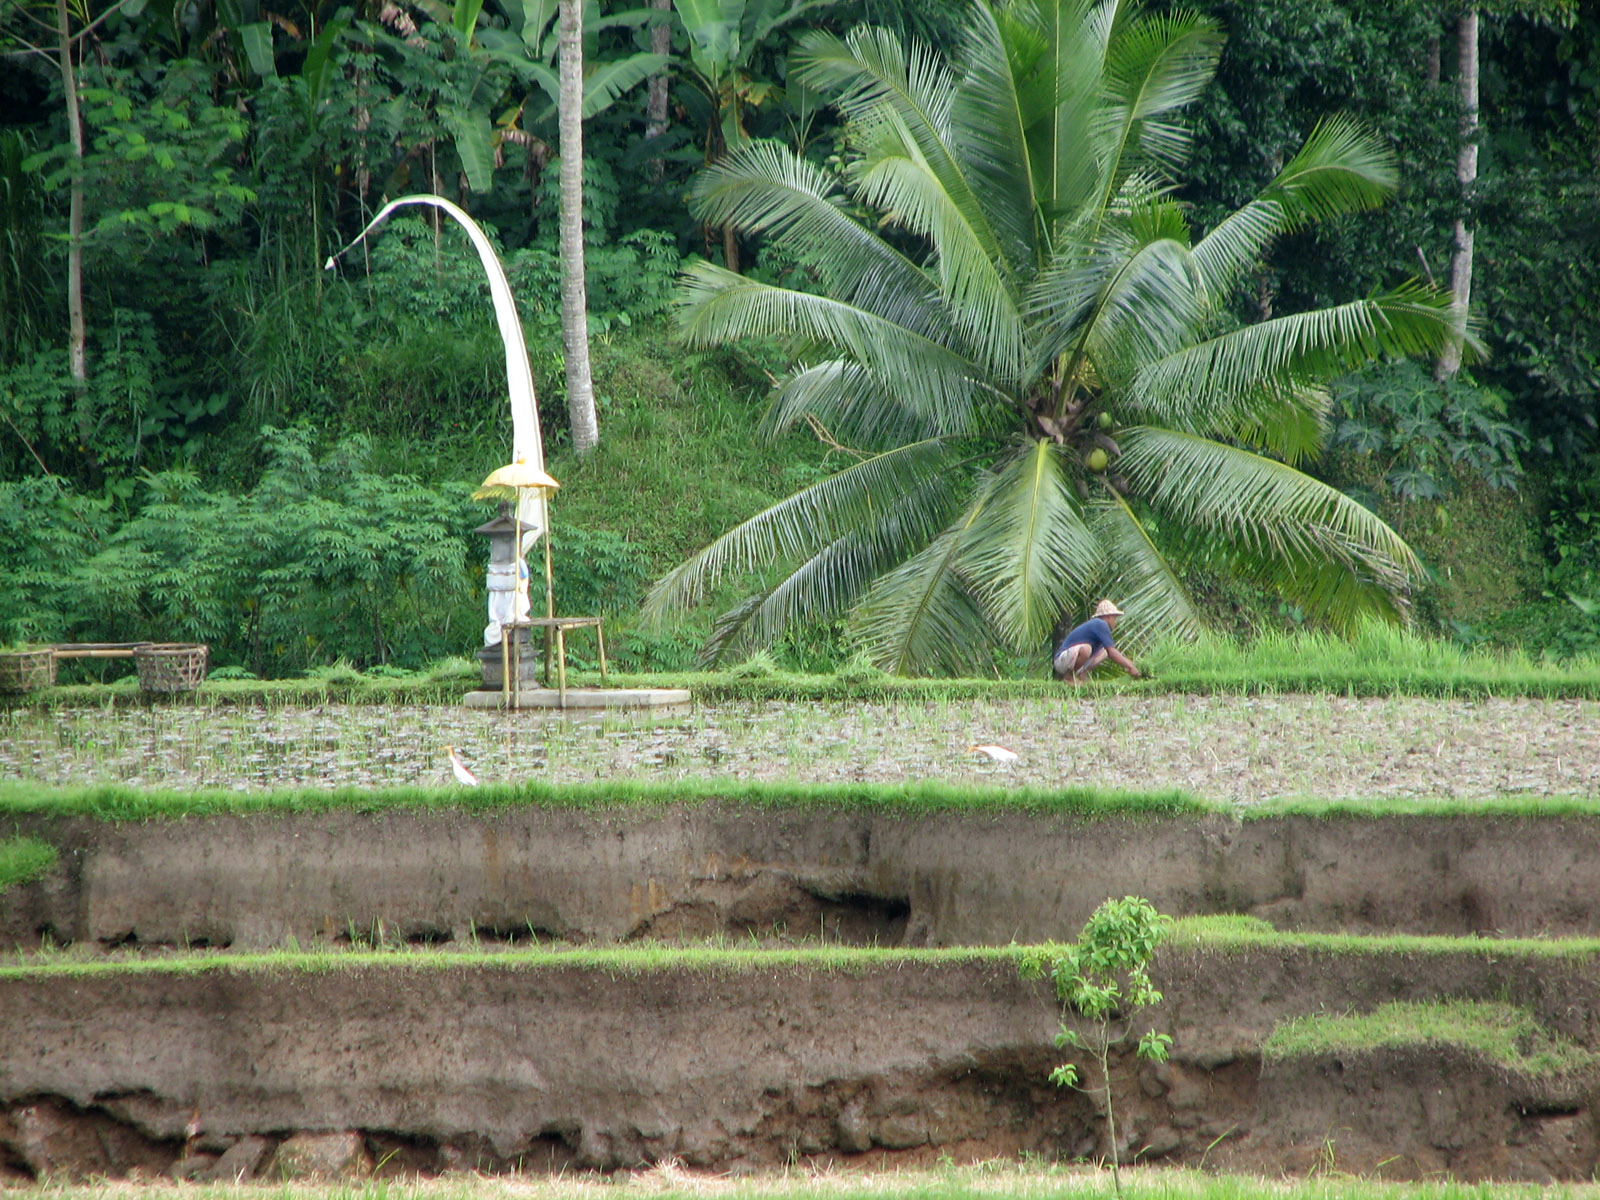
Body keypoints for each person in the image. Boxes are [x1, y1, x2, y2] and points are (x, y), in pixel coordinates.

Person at [1052, 599, 1141, 683]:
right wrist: (1130, 666)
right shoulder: (1100, 624)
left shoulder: (1100, 628)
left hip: (1069, 659)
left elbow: (1109, 651)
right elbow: (1112, 652)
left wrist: (1131, 665)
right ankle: (1069, 677)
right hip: (1062, 660)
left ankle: (1081, 674)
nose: (1115, 622)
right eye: (1114, 618)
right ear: (1109, 616)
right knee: (1086, 649)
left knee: (1104, 651)